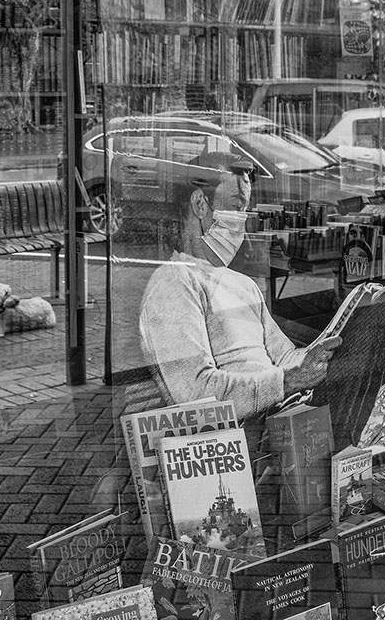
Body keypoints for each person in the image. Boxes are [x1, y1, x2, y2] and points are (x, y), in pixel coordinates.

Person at [138, 152, 341, 426]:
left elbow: (283, 357)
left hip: (274, 422)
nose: (241, 221)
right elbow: (194, 394)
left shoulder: (243, 284)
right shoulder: (174, 284)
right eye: (235, 207)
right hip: (231, 440)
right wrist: (287, 382)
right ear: (200, 203)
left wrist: (327, 356)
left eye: (244, 210)